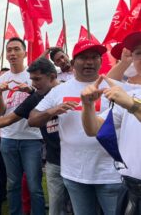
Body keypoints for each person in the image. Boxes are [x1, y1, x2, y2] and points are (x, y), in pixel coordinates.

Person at [29, 40, 122, 215]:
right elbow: (32, 119)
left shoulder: (114, 87)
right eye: (83, 58)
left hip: (110, 173)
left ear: (101, 61)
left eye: (94, 57)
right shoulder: (59, 91)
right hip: (75, 174)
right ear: (72, 64)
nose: (89, 62)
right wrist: (52, 110)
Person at [0, 57, 70, 215]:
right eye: (32, 79)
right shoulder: (37, 97)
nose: (33, 84)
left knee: (76, 203)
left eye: (37, 79)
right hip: (54, 160)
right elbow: (9, 118)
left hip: (76, 158)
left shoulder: (70, 91)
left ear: (52, 76)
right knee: (56, 205)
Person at [80, 31, 141, 214]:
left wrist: (133, 106)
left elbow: (133, 107)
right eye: (138, 53)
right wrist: (88, 106)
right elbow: (93, 129)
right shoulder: (130, 95)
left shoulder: (129, 99)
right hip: (131, 189)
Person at [0, 37, 44, 215]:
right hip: (8, 138)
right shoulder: (2, 79)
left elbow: (44, 103)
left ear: (24, 53)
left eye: (16, 49)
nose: (12, 53)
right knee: (13, 184)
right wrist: (0, 94)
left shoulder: (33, 75)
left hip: (31, 138)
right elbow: (0, 112)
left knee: (34, 185)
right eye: (9, 50)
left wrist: (31, 91)